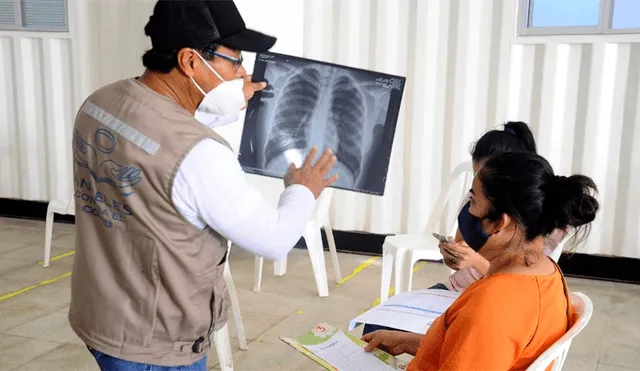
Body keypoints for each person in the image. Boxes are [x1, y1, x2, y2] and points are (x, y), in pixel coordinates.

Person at [68, 1, 338, 370]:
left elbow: (157, 129)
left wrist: (221, 103)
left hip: (103, 317)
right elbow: (275, 240)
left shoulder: (98, 104)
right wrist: (302, 188)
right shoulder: (199, 155)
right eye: (234, 59)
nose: (242, 72)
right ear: (191, 61)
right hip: (157, 345)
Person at [363, 151, 599, 370]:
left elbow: (482, 337)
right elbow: (481, 351)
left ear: (499, 223)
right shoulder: (548, 274)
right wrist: (410, 342)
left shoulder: (490, 308)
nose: (467, 211)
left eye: (473, 201)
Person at [363, 121, 563, 335]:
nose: (472, 206)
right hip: (455, 293)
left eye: (482, 183)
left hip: (481, 301)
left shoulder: (538, 230)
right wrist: (455, 255)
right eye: (475, 177)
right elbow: (463, 244)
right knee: (375, 326)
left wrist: (476, 262)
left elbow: (515, 287)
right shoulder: (476, 198)